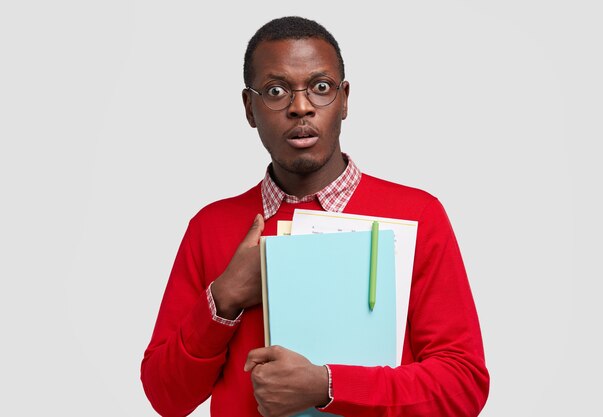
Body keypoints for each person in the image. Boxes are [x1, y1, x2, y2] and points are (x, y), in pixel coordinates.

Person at [141, 16, 489, 417]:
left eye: (320, 88)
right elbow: (165, 397)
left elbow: (463, 387)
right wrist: (225, 298)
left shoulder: (419, 216)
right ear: (249, 108)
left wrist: (326, 385)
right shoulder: (210, 227)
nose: (301, 106)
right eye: (276, 91)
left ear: (344, 99)